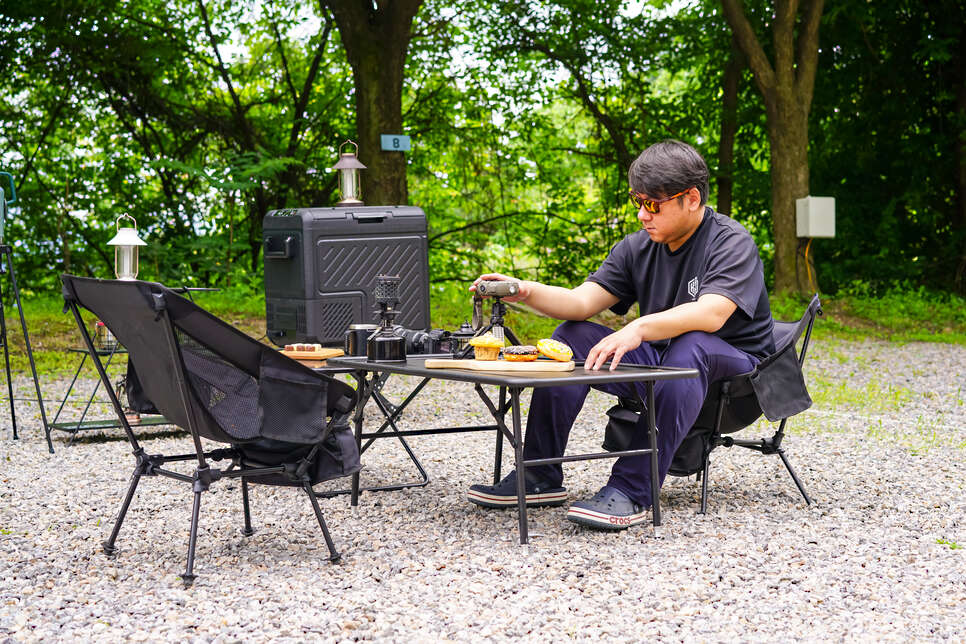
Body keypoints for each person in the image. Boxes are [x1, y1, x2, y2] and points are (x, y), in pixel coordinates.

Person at [465, 139, 775, 530]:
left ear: (692, 198)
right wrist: (522, 288)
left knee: (692, 345)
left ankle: (633, 490)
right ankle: (540, 473)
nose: (643, 215)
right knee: (570, 335)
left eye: (653, 204)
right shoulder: (637, 247)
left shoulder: (730, 241)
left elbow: (712, 314)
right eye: (637, 201)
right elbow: (580, 303)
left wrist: (639, 327)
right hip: (666, 360)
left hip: (736, 373)